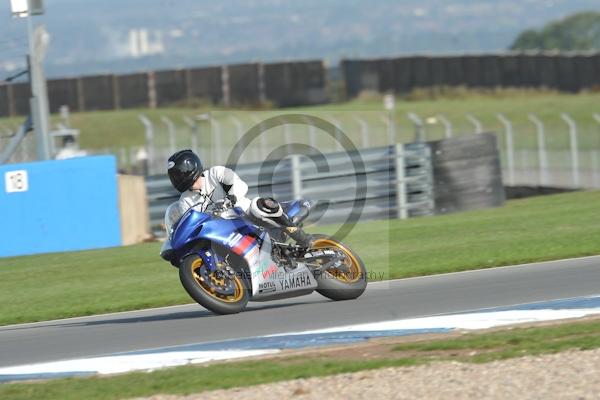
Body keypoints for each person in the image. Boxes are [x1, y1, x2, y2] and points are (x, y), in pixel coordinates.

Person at [166, 149, 310, 243]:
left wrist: (231, 198)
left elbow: (240, 184)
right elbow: (191, 223)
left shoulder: (215, 173)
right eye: (175, 176)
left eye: (180, 173)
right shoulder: (184, 201)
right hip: (226, 231)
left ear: (191, 167)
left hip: (246, 213)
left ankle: (298, 235)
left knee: (257, 206)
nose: (179, 178)